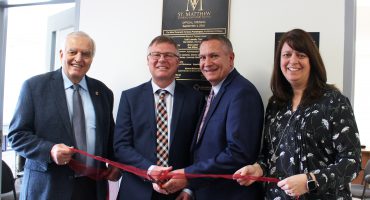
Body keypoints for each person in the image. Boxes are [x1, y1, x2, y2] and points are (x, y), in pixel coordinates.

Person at [234, 28, 361, 199]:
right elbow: (268, 155)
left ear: (312, 61)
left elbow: (352, 163)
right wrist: (257, 169)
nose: (293, 60)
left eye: (301, 55)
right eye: (286, 55)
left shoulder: (334, 101)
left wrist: (310, 181)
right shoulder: (275, 104)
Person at [7, 31, 121, 200]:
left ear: (91, 59)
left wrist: (115, 163)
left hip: (91, 188)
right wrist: (50, 150)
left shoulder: (103, 92)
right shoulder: (34, 87)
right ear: (61, 54)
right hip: (48, 188)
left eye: (86, 54)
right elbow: (17, 136)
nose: (79, 58)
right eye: (73, 52)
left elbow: (109, 136)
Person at [160, 35, 265, 200]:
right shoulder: (217, 91)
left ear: (231, 59)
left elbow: (238, 154)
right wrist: (190, 189)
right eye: (202, 57)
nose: (207, 63)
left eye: (214, 56)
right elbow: (205, 149)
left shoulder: (242, 93)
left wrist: (188, 175)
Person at [113, 35, 204, 200]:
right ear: (148, 61)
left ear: (178, 62)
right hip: (136, 190)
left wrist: (190, 188)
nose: (162, 59)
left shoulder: (195, 99)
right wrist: (149, 169)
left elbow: (198, 150)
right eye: (156, 55)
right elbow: (121, 146)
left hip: (178, 192)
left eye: (169, 55)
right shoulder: (129, 97)